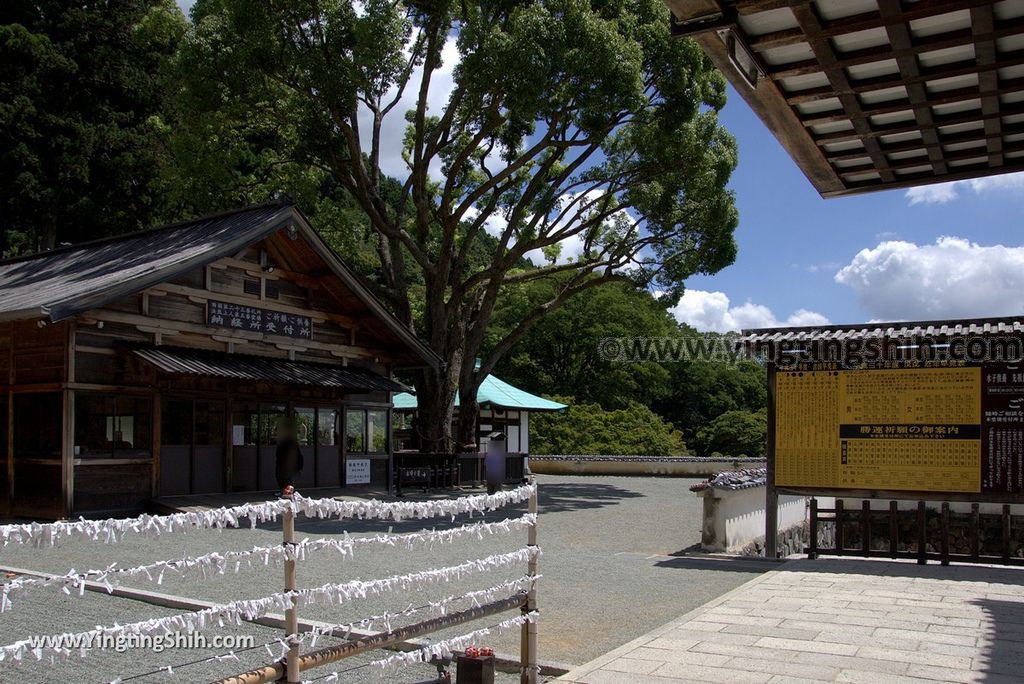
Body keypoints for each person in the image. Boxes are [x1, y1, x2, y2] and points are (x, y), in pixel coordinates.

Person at [275, 420, 304, 497]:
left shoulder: (290, 442)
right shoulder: (286, 441)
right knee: (284, 479)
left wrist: (299, 466)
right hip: (285, 465)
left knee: (287, 480)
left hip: (288, 466)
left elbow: (299, 456)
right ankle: (285, 492)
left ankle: (287, 493)